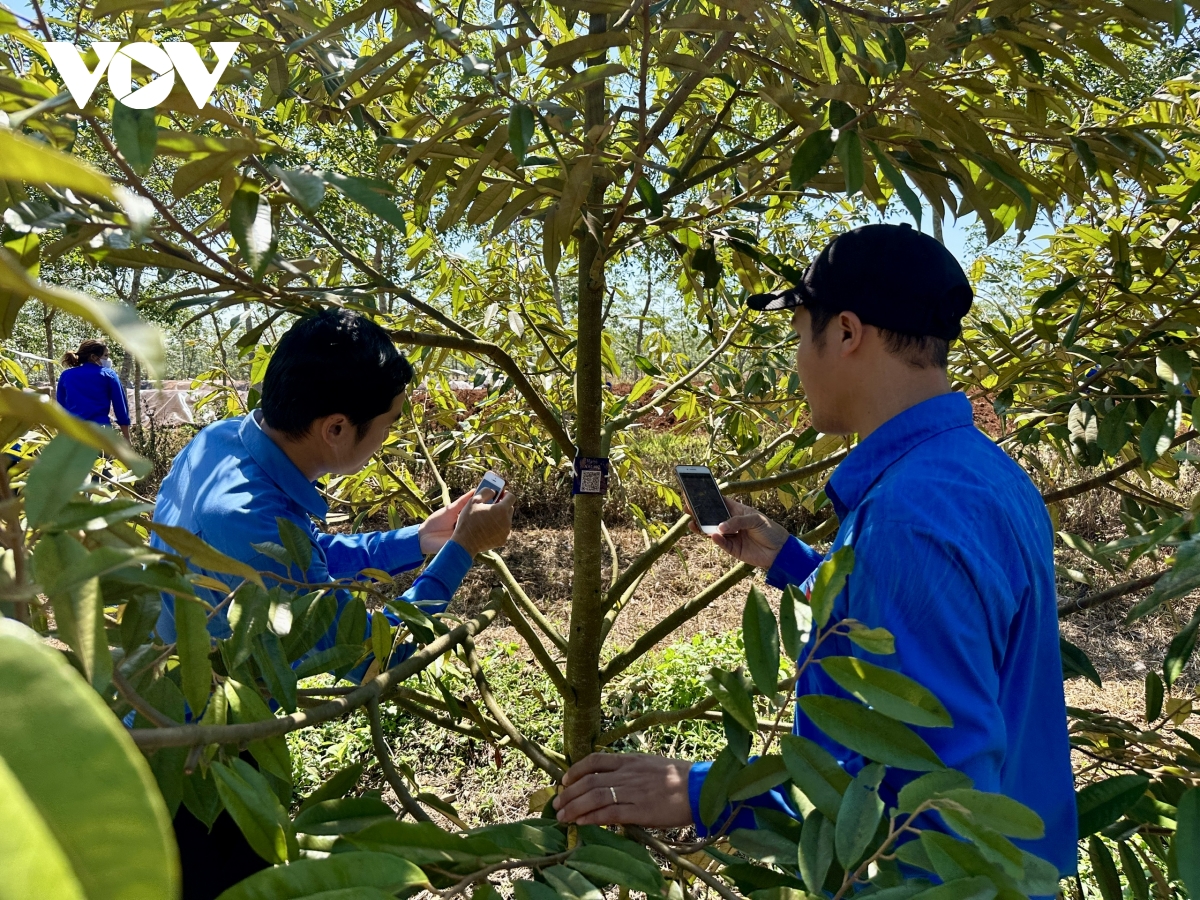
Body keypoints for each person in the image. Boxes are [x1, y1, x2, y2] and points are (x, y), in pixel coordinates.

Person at [553, 224, 1077, 876]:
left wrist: (701, 792)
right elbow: (933, 638)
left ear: (848, 333)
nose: (797, 358)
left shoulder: (909, 518)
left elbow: (925, 796)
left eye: (800, 335)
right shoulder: (982, 475)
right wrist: (796, 563)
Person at [149, 308, 517, 899]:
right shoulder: (250, 521)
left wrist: (420, 540)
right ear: (338, 427)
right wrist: (463, 550)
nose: (391, 434)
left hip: (166, 713)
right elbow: (367, 655)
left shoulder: (219, 444)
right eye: (389, 423)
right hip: (199, 771)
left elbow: (304, 564)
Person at [56, 339, 131, 440]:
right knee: (102, 456)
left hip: (73, 435)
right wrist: (127, 439)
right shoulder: (108, 375)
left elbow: (61, 409)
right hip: (101, 433)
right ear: (93, 357)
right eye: (106, 355)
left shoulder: (66, 375)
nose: (108, 359)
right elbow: (121, 409)